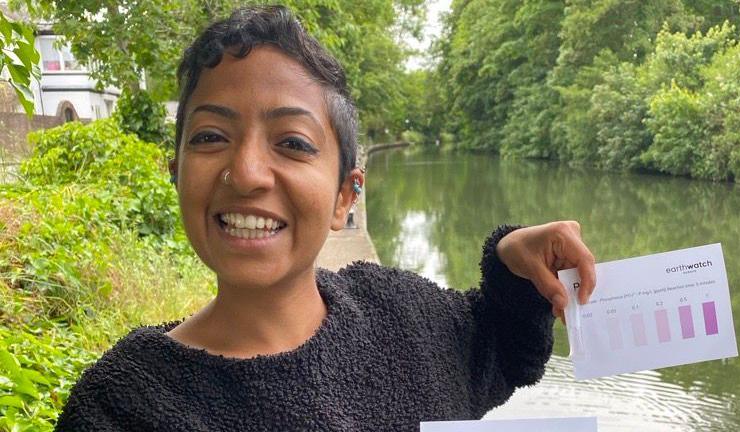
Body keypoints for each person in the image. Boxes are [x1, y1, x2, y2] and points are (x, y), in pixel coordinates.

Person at [54, 5, 596, 431]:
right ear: (176, 173)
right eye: (211, 137)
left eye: (291, 142)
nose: (245, 174)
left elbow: (502, 350)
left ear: (345, 196)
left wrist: (513, 264)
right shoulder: (122, 405)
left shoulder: (402, 317)